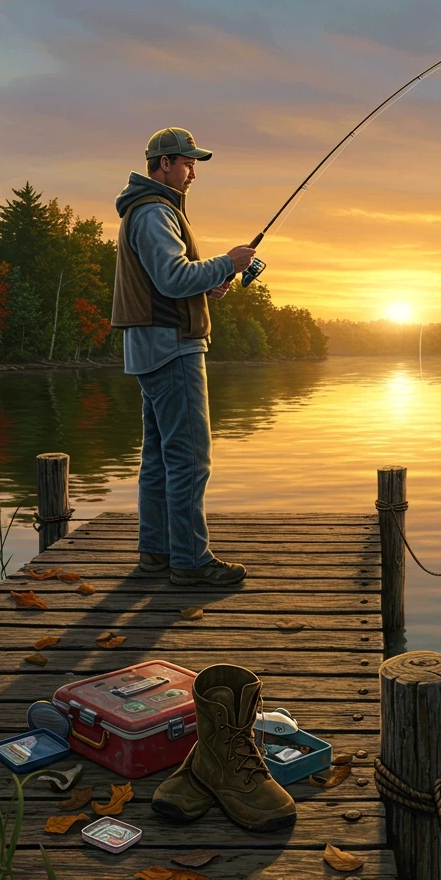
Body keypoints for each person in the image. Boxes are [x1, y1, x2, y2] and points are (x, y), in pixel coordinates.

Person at [111, 127, 256, 586]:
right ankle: (190, 561)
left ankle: (156, 553)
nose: (193, 173)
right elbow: (173, 279)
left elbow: (169, 281)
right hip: (172, 349)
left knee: (158, 459)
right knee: (191, 460)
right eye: (189, 163)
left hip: (152, 348)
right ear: (165, 163)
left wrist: (207, 285)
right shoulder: (155, 212)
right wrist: (228, 263)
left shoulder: (149, 209)